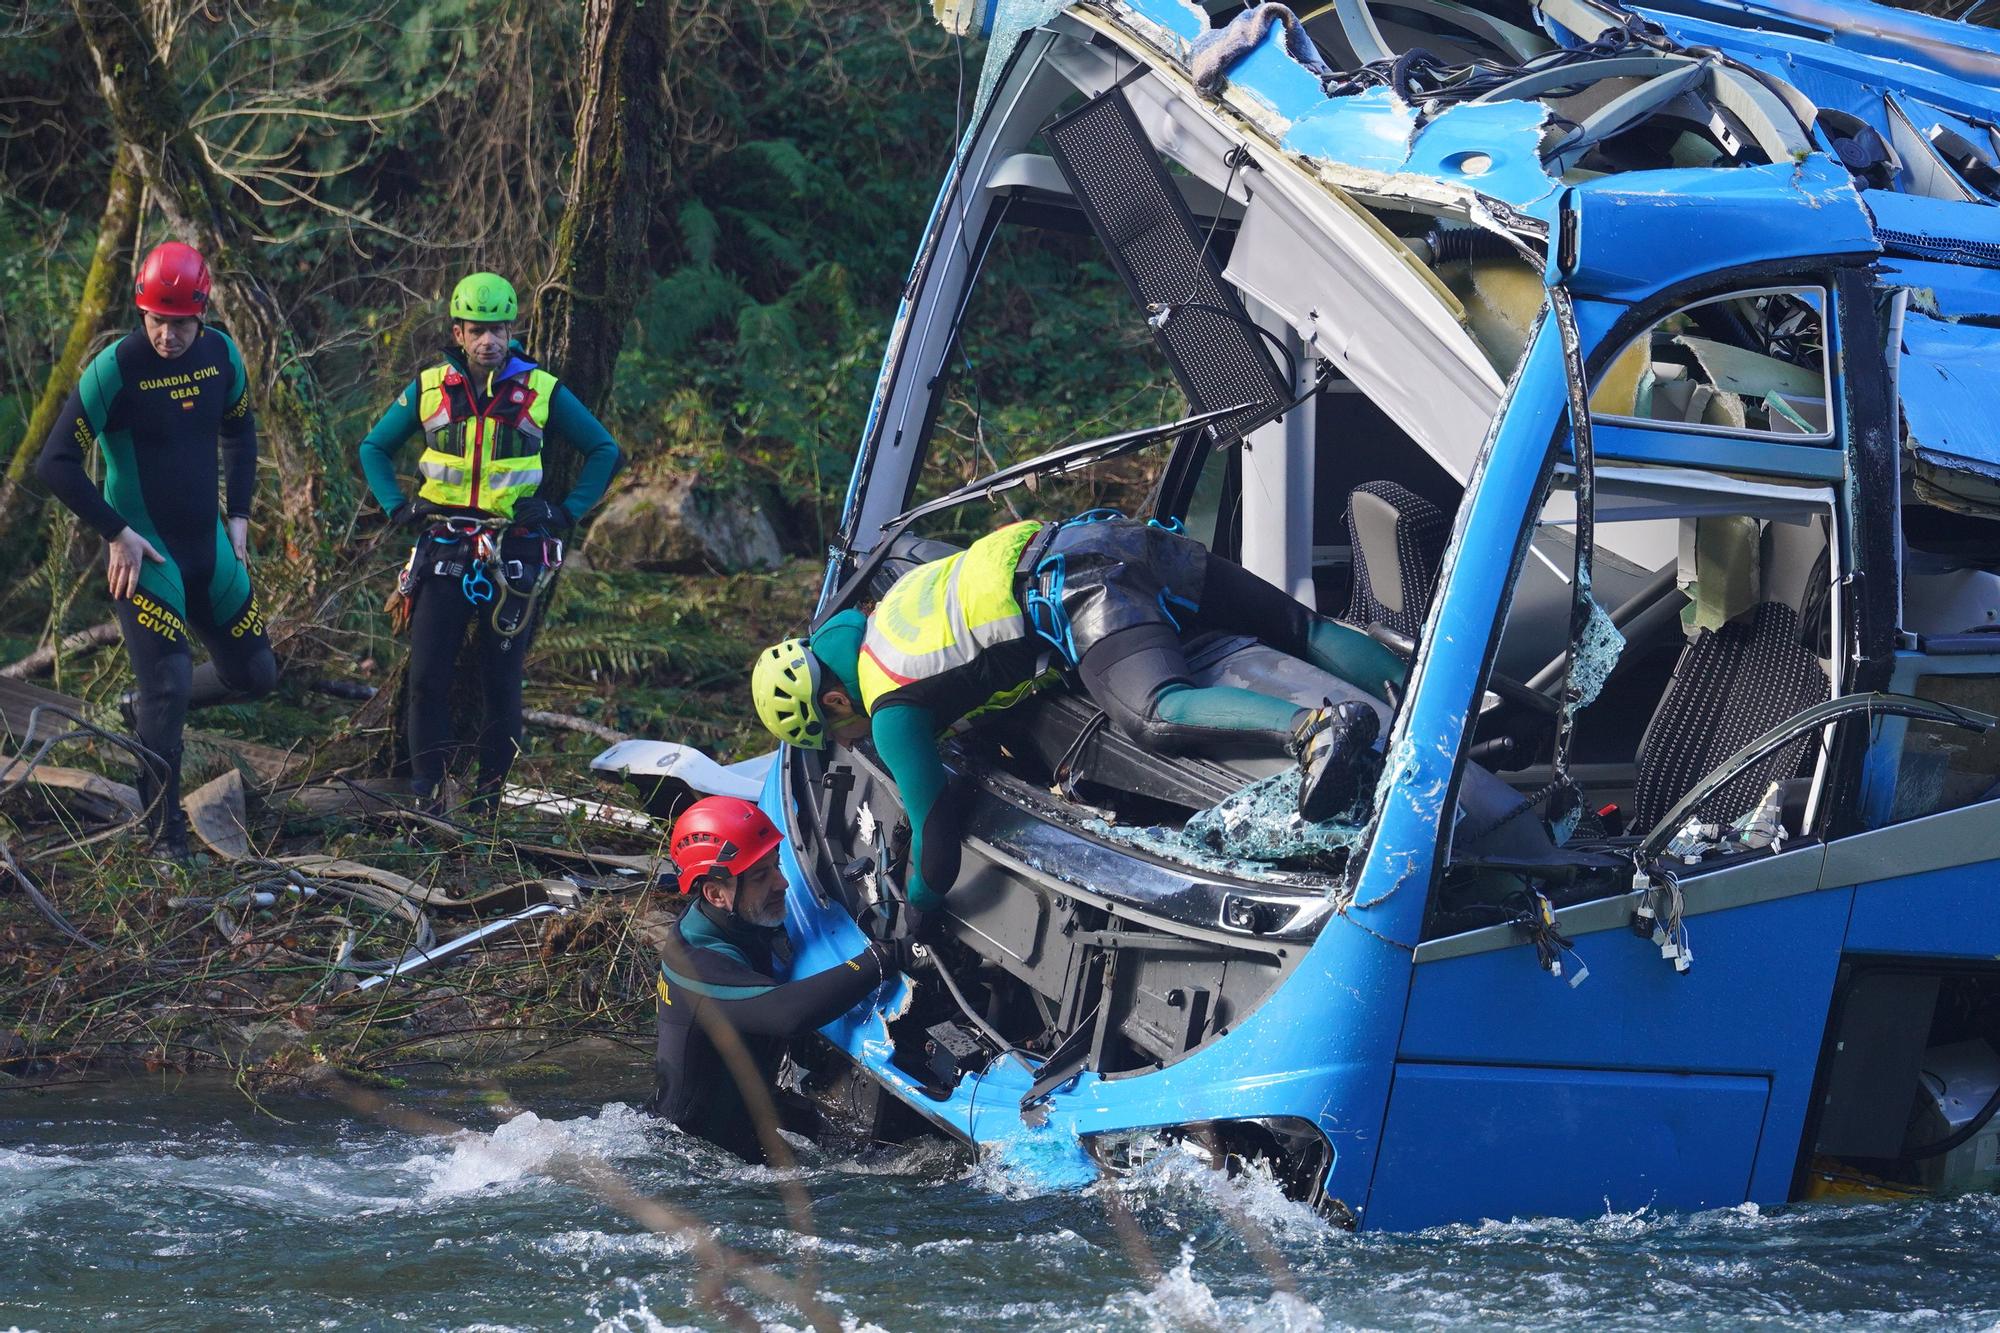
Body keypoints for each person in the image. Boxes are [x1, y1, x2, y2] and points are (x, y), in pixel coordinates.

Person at [752, 512, 1408, 915]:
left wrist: (914, 912)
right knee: (1299, 624)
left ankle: (1316, 729)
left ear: (835, 700)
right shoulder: (891, 606)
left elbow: (937, 839)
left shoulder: (889, 705)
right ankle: (1430, 696)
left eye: (837, 730)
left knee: (1154, 711)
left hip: (1085, 593)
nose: (852, 735)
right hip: (1106, 536)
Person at [37, 240, 278, 860]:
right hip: (147, 555)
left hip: (212, 549)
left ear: (201, 313)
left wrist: (241, 518)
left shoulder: (223, 353)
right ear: (141, 311)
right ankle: (164, 834)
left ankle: (136, 707)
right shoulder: (115, 369)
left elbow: (240, 430)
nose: (167, 335)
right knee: (168, 691)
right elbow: (56, 462)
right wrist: (116, 531)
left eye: (179, 323)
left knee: (255, 676)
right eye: (155, 320)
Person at [356, 272, 621, 814]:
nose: (488, 341)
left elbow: (603, 450)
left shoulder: (540, 390)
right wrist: (397, 507)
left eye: (498, 328)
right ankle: (427, 795)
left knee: (501, 681)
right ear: (458, 331)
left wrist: (565, 512)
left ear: (511, 328)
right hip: (444, 548)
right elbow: (374, 448)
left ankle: (489, 802)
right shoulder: (430, 389)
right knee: (428, 677)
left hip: (515, 551)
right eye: (477, 330)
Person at [650, 795, 912, 1162]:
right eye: (761, 876)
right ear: (716, 893)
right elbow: (788, 1015)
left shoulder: (743, 919)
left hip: (749, 1123)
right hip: (693, 1161)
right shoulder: (695, 964)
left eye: (776, 865)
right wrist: (882, 959)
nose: (782, 883)